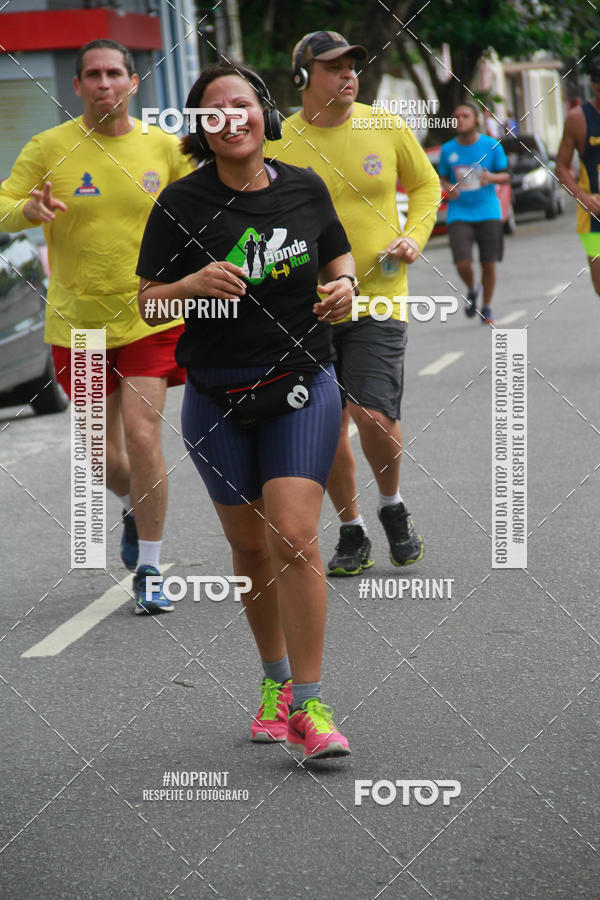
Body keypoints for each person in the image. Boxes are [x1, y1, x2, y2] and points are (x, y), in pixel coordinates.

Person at [137, 62, 356, 759]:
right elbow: (146, 300)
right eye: (214, 110)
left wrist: (344, 287)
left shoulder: (304, 187)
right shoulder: (178, 204)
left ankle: (312, 707)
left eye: (243, 104)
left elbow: (339, 260)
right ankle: (275, 681)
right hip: (215, 395)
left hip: (301, 381)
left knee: (294, 534)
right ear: (200, 127)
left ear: (264, 112)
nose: (232, 118)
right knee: (250, 547)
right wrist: (189, 284)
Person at [0, 39, 194, 614]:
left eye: (114, 73)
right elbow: (5, 203)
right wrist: (26, 212)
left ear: (133, 83)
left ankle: (152, 568)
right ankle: (135, 504)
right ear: (78, 86)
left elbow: (206, 205)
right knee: (99, 454)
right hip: (77, 323)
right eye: (93, 75)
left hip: (149, 316)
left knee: (142, 436)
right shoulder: (49, 148)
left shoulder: (164, 147)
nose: (104, 83)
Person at [267, 31, 440, 577]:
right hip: (308, 306)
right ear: (302, 78)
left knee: (372, 413)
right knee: (327, 422)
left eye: (352, 65)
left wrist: (415, 234)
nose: (347, 74)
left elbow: (428, 186)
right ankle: (352, 526)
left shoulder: (383, 125)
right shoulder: (279, 143)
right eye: (332, 66)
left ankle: (391, 505)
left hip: (379, 296)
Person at [439, 101, 510, 325]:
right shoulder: (447, 149)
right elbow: (441, 177)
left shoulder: (491, 145)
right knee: (462, 263)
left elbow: (506, 175)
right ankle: (472, 287)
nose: (459, 119)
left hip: (488, 210)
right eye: (456, 116)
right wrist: (448, 188)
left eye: (465, 115)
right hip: (459, 213)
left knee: (488, 263)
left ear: (476, 120)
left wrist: (492, 178)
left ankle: (487, 308)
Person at [555, 55, 600, 295]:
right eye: (597, 78)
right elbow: (561, 167)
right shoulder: (577, 119)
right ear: (592, 83)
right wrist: (583, 196)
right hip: (594, 215)